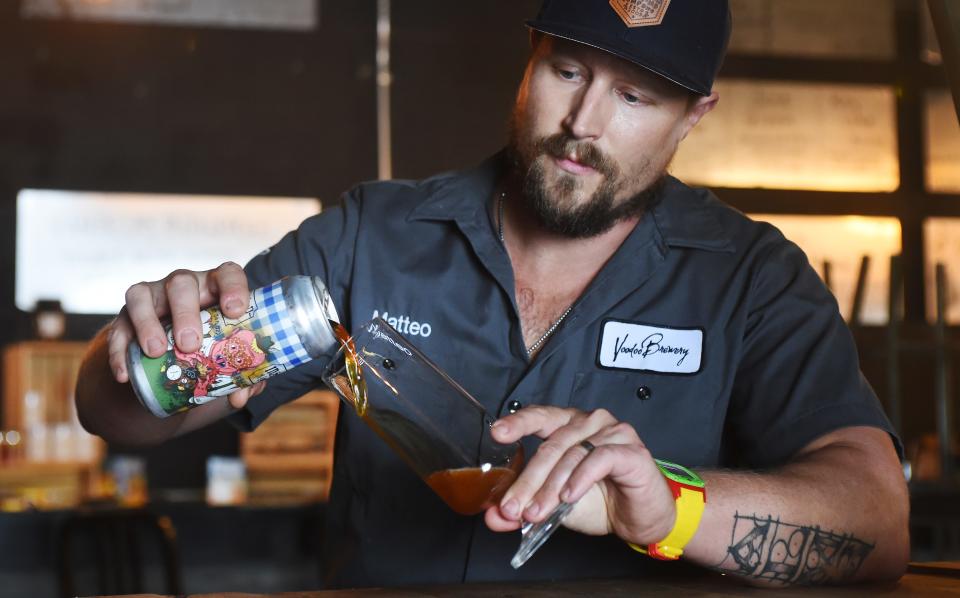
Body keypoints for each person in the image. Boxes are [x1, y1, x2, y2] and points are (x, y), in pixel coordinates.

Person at [76, 0, 909, 589]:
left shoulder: (751, 276)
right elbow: (117, 414)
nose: (583, 121)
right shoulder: (375, 236)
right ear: (531, 59)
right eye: (568, 69)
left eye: (634, 97)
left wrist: (671, 512)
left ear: (693, 116)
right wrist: (141, 347)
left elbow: (878, 520)